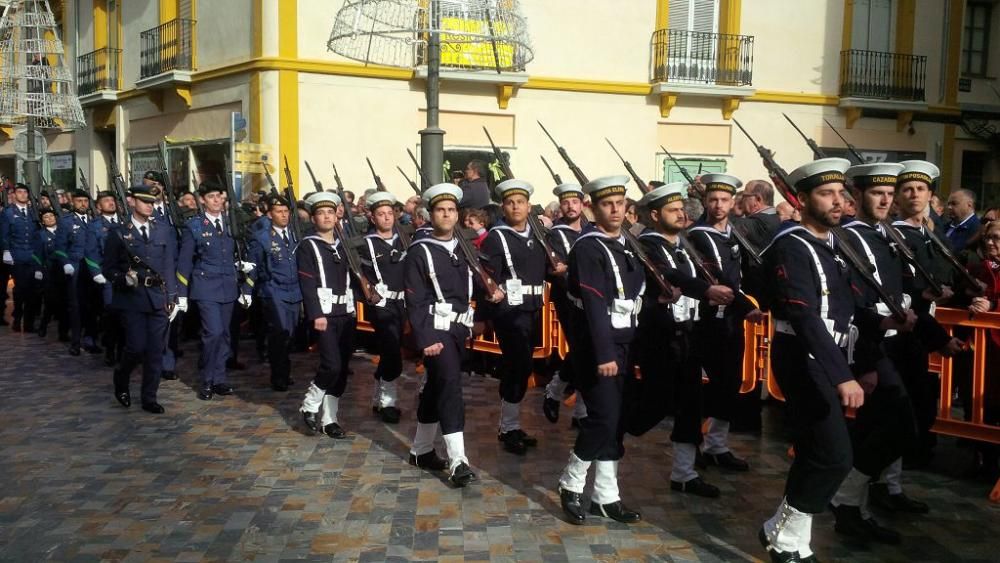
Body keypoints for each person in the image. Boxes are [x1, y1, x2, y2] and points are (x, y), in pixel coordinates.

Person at [757, 158, 907, 562]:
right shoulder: (791, 246)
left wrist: (882, 324)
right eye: (826, 194)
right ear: (801, 199)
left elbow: (850, 305)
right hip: (803, 358)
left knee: (816, 452)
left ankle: (787, 536)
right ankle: (782, 533)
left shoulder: (832, 243)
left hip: (832, 355)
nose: (838, 201)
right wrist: (843, 376)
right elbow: (805, 316)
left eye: (841, 193)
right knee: (834, 455)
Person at [830, 163, 931, 545]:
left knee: (885, 428)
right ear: (858, 196)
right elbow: (853, 303)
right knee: (900, 425)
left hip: (894, 344)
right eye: (877, 193)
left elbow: (902, 294)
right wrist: (869, 360)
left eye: (891, 193)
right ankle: (845, 500)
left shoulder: (882, 234)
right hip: (870, 347)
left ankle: (853, 506)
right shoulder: (851, 238)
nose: (887, 199)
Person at [632, 182, 734, 499]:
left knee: (692, 404)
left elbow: (710, 277)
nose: (680, 214)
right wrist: (706, 291)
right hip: (658, 336)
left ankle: (684, 473)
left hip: (688, 334)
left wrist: (744, 306)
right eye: (672, 210)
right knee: (654, 404)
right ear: (654, 214)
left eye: (681, 209)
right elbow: (672, 277)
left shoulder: (684, 246)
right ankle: (607, 439)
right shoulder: (648, 246)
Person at [557, 175, 644, 526]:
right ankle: (571, 481)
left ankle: (606, 497)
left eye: (620, 203)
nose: (615, 210)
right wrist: (604, 352)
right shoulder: (588, 247)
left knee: (616, 421)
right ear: (593, 208)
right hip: (598, 347)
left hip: (625, 343)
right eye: (607, 204)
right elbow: (593, 304)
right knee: (603, 417)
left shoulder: (627, 243)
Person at [404, 183, 503, 486]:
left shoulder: (467, 248)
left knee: (437, 386)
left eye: (451, 210)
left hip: (460, 329)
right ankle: (458, 460)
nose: (446, 215)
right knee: (450, 386)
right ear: (431, 215)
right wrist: (425, 338)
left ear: (457, 215)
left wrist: (490, 305)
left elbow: (484, 283)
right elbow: (415, 299)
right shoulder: (420, 251)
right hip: (436, 330)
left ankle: (421, 450)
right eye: (440, 210)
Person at [687, 173, 761, 473]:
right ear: (705, 201)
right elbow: (716, 277)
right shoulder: (699, 235)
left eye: (724, 200)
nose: (718, 205)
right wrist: (746, 305)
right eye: (713, 199)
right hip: (706, 320)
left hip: (730, 321)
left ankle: (717, 444)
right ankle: (690, 444)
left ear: (733, 203)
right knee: (699, 387)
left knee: (729, 383)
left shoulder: (734, 233)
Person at [480, 179, 557, 455]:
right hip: (509, 312)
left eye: (521, 202)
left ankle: (510, 425)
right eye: (510, 203)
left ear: (528, 206)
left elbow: (547, 269)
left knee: (522, 367)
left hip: (533, 308)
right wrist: (487, 307)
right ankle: (508, 426)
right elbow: (486, 277)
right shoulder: (496, 237)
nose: (516, 207)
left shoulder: (537, 234)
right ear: (503, 206)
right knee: (519, 366)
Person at [104, 184, 178, 414]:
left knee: (156, 350)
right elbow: (108, 268)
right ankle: (122, 377)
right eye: (144, 201)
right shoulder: (118, 232)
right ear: (131, 201)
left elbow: (168, 265)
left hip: (157, 297)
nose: (149, 205)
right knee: (136, 347)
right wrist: (121, 278)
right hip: (132, 297)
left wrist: (172, 296)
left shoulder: (162, 230)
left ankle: (149, 397)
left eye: (152, 202)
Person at [177, 181, 253, 401]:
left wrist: (244, 275)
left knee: (226, 335)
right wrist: (181, 292)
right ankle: (207, 380)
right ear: (202, 200)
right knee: (214, 333)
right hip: (205, 286)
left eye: (220, 196)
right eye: (211, 197)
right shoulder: (195, 226)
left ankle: (220, 379)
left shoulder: (232, 224)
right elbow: (184, 262)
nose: (217, 201)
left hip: (228, 285)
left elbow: (241, 253)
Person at [297, 191, 361, 439]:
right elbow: (307, 283)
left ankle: (329, 419)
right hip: (324, 314)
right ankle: (310, 403)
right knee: (331, 364)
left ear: (337, 216)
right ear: (313, 218)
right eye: (321, 213)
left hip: (346, 312)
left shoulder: (344, 244)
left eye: (330, 212)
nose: (326, 217)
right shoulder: (308, 245)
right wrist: (316, 313)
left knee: (342, 368)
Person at [543, 183, 590, 428]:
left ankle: (578, 409)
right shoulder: (556, 234)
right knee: (581, 349)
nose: (570, 206)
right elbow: (557, 268)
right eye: (566, 202)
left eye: (575, 202)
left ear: (583, 204)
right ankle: (556, 392)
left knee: (587, 352)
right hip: (568, 300)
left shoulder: (590, 230)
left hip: (592, 300)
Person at [360, 191, 408, 423]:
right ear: (373, 218)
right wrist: (370, 296)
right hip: (382, 304)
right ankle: (388, 402)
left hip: (403, 303)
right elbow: (361, 276)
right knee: (391, 351)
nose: (387, 218)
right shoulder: (367, 244)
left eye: (390, 213)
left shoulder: (404, 239)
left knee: (393, 347)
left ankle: (379, 397)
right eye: (381, 214)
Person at [247, 195, 302, 392]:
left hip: (295, 291)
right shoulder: (261, 237)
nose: (284, 215)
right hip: (273, 290)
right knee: (279, 333)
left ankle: (284, 370)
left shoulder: (296, 234)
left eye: (286, 211)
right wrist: (247, 290)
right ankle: (278, 376)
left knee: (290, 334)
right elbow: (252, 266)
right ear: (270, 214)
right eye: (279, 212)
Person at [55, 189, 100, 355]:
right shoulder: (66, 221)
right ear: (72, 202)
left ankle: (91, 339)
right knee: (76, 306)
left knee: (92, 306)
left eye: (85, 201)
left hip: (93, 268)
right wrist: (66, 263)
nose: (83, 204)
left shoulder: (94, 221)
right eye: (79, 201)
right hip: (75, 267)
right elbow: (59, 247)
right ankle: (75, 342)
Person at [83, 191, 123, 366]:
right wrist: (96, 272)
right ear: (98, 206)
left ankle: (124, 350)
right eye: (106, 201)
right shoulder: (95, 226)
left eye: (112, 200)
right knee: (111, 313)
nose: (110, 203)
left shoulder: (125, 221)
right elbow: (90, 251)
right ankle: (110, 350)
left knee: (127, 315)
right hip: (107, 276)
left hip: (125, 275)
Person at [1, 183, 40, 332]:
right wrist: (6, 250)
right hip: (17, 254)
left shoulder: (33, 211)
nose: (23, 194)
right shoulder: (8, 212)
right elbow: (4, 233)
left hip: (33, 255)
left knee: (32, 290)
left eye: (25, 192)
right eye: (20, 192)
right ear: (15, 195)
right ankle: (17, 318)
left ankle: (29, 323)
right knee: (20, 288)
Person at [33, 208, 65, 339]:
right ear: (42, 221)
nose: (50, 218)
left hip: (64, 271)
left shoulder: (63, 232)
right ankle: (43, 326)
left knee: (65, 304)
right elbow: (37, 253)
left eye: (51, 216)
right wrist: (38, 269)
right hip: (50, 272)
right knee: (50, 303)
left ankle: (63, 333)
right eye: (46, 217)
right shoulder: (40, 235)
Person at [737, 179, 782, 250]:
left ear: (758, 199)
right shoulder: (774, 217)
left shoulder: (763, 222)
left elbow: (729, 224)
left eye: (744, 196)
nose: (741, 200)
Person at [945, 188, 980, 259]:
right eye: (948, 204)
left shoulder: (977, 229)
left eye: (954, 203)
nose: (949, 207)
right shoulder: (945, 225)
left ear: (969, 205)